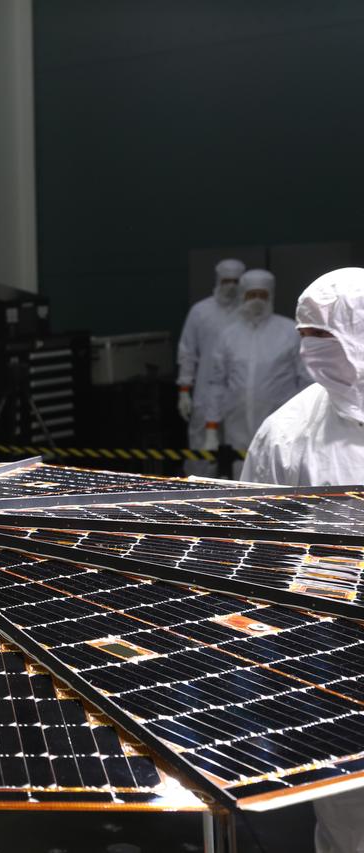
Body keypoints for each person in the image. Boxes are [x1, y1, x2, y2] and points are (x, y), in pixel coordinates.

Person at [240, 268, 364, 853]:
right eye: (305, 334)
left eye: (326, 335)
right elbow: (253, 550)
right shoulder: (287, 433)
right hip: (333, 658)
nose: (311, 350)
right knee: (347, 819)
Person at [197, 269, 307, 476]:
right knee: (241, 478)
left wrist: (304, 420)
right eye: (251, 295)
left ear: (271, 297)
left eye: (262, 295)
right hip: (236, 426)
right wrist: (211, 426)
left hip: (281, 424)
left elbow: (307, 381)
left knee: (278, 477)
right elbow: (216, 383)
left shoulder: (290, 332)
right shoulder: (228, 335)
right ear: (242, 296)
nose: (257, 301)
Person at [178, 258, 245, 474]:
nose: (231, 286)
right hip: (206, 391)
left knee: (239, 443)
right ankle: (197, 493)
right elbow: (188, 352)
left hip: (238, 390)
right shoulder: (200, 312)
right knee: (201, 446)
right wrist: (184, 390)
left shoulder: (247, 313)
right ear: (218, 281)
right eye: (227, 281)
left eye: (236, 281)